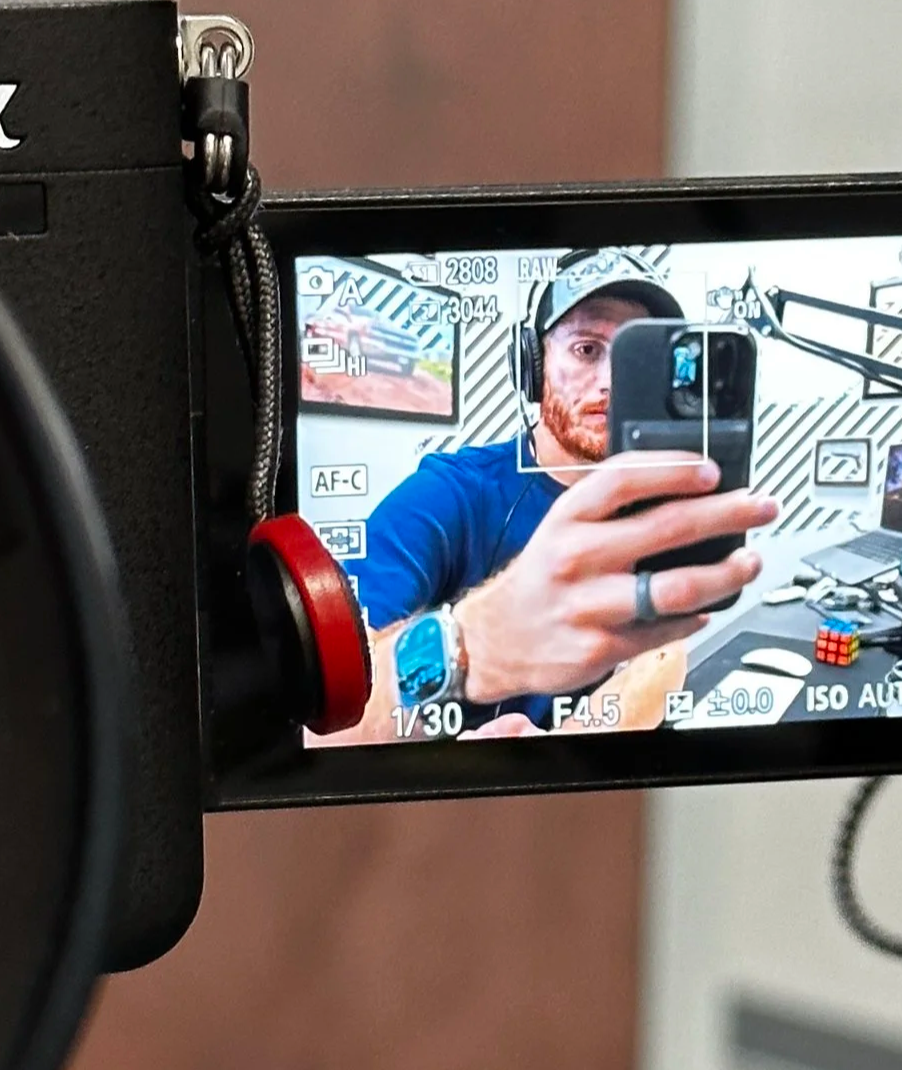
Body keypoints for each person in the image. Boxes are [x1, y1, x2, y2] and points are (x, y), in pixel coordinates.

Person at [328, 248, 776, 742]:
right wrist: (475, 641)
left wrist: (556, 750)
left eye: (635, 358)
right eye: (587, 349)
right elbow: (329, 722)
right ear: (531, 366)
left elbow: (663, 653)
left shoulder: (666, 502)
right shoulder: (445, 495)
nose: (611, 381)